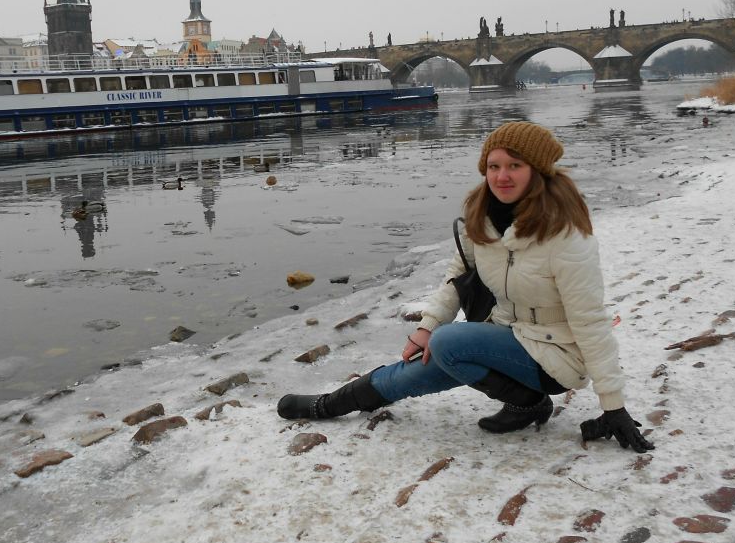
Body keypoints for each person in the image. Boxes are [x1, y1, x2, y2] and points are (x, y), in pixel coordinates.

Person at [277, 121, 654, 453]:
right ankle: (329, 405)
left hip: (556, 356)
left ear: (538, 171)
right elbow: (459, 277)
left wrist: (613, 405)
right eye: (493, 166)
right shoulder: (482, 218)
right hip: (506, 333)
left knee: (449, 344)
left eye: (515, 166)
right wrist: (426, 326)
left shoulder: (565, 237)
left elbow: (591, 322)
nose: (501, 176)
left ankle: (528, 401)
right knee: (415, 370)